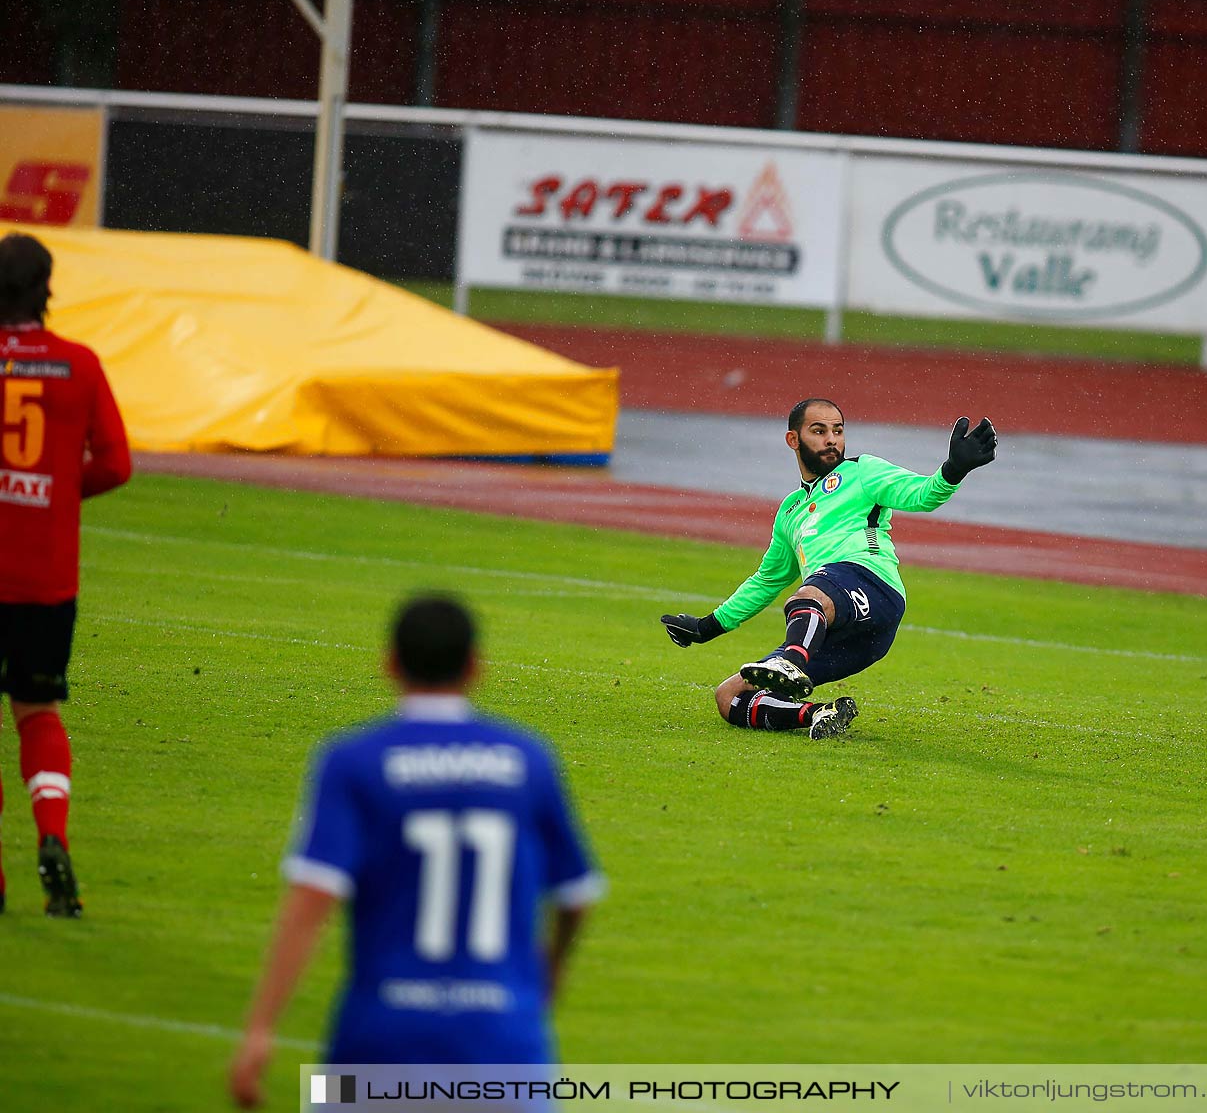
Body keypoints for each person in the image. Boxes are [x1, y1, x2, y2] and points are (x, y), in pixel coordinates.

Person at [228, 595, 604, 1108]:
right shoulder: (527, 759)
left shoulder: (353, 760)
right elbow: (577, 895)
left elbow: (311, 900)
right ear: (476, 667)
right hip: (504, 1038)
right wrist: (552, 967)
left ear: (389, 664)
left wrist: (260, 1028)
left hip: (381, 1036)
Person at [661, 398, 997, 739]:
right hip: (848, 635)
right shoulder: (790, 511)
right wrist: (706, 628)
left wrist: (954, 468)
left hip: (872, 584)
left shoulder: (861, 472)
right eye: (818, 431)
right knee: (731, 696)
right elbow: (767, 580)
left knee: (808, 595)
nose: (831, 439)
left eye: (837, 430)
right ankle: (820, 713)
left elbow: (923, 495)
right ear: (793, 440)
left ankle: (791, 660)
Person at [0, 231, 132, 918]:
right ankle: (51, 834)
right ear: (48, 291)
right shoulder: (77, 365)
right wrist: (48, 489)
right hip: (44, 579)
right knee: (37, 711)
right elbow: (116, 463)